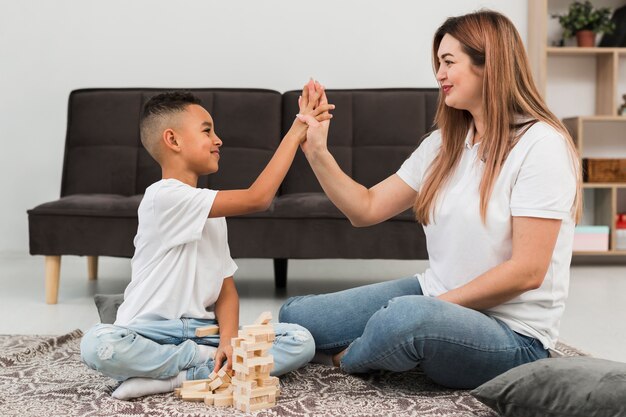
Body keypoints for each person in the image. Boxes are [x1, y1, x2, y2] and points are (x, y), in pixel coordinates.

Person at [280, 10, 582, 389]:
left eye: (448, 62)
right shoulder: (443, 145)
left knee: (407, 319)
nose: (438, 74)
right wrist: (318, 153)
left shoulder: (542, 145)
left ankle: (353, 358)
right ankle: (391, 345)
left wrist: (430, 309)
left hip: (514, 337)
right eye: (438, 62)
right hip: (434, 296)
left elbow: (528, 270)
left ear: (489, 65)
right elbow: (366, 208)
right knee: (298, 316)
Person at [80, 81, 334, 400]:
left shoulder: (212, 212)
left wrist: (228, 342)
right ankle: (196, 368)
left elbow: (226, 291)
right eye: (207, 131)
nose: (218, 140)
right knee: (98, 345)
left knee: (299, 340)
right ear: (172, 140)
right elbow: (258, 198)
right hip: (147, 333)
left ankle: (175, 376)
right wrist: (297, 130)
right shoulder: (163, 197)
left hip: (206, 335)